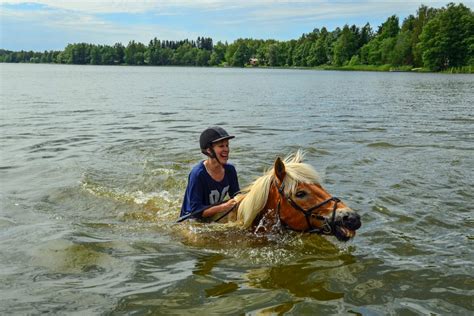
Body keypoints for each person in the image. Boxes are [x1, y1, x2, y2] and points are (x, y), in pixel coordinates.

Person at [180, 126, 240, 221]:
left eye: (227, 145)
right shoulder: (198, 174)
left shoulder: (230, 170)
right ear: (209, 150)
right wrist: (223, 207)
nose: (226, 149)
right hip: (191, 221)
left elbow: (236, 196)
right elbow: (197, 212)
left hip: (213, 216)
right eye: (221, 146)